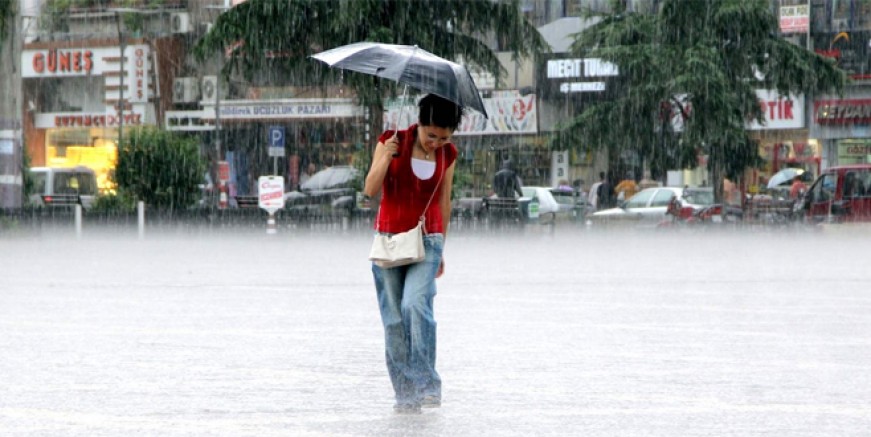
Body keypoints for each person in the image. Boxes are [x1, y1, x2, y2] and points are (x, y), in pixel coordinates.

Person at [363, 94, 462, 414]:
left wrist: (442, 247)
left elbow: (444, 202)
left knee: (415, 304)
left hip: (428, 241)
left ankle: (426, 383)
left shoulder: (448, 155)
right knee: (393, 320)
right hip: (389, 241)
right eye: (430, 135)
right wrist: (386, 157)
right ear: (418, 124)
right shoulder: (392, 141)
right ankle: (406, 395)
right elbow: (369, 189)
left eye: (444, 137)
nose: (436, 142)